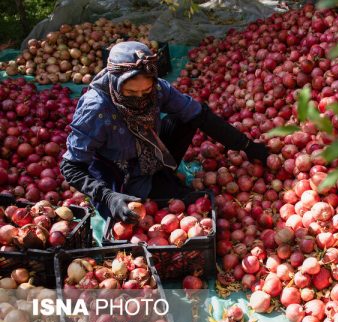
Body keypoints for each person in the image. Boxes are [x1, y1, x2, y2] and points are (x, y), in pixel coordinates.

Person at [60, 41, 268, 224]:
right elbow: (70, 166)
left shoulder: (158, 89)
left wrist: (246, 146)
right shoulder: (96, 108)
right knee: (186, 202)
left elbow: (199, 115)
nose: (140, 98)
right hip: (119, 174)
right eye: (131, 92)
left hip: (149, 151)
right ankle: (146, 186)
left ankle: (161, 172)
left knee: (185, 117)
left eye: (146, 91)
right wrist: (107, 196)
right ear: (114, 81)